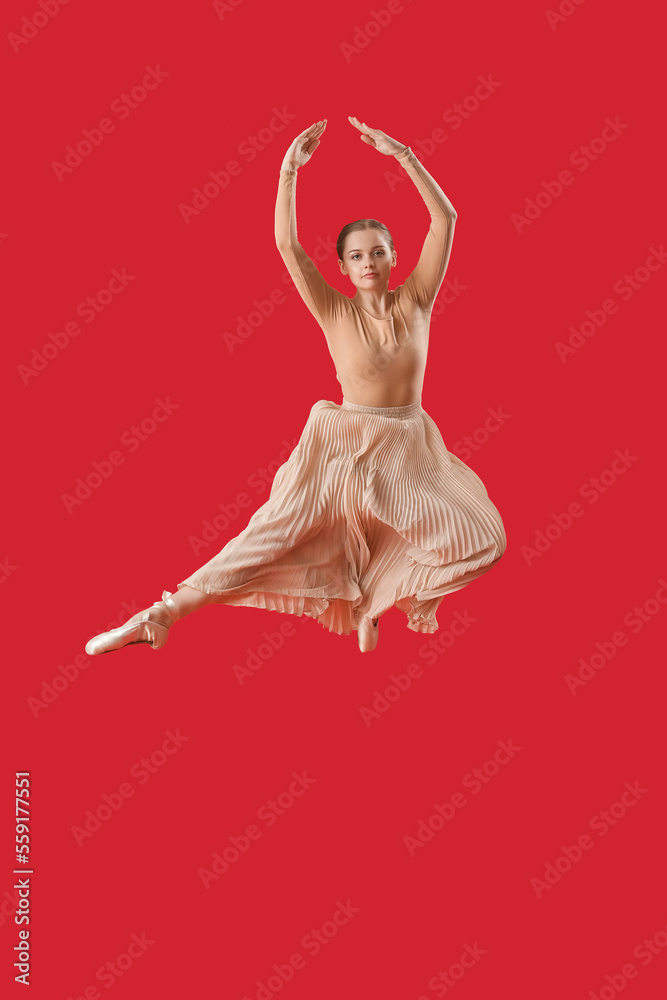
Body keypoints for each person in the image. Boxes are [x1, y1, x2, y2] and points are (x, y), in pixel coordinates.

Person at [84, 117, 506, 656]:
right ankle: (159, 615)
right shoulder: (333, 309)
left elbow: (445, 217)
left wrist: (403, 155)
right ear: (344, 267)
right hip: (340, 444)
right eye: (356, 255)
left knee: (480, 540)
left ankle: (372, 601)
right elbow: (287, 245)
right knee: (273, 538)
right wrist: (289, 172)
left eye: (378, 251)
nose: (369, 262)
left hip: (408, 445)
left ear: (395, 257)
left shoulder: (416, 300)